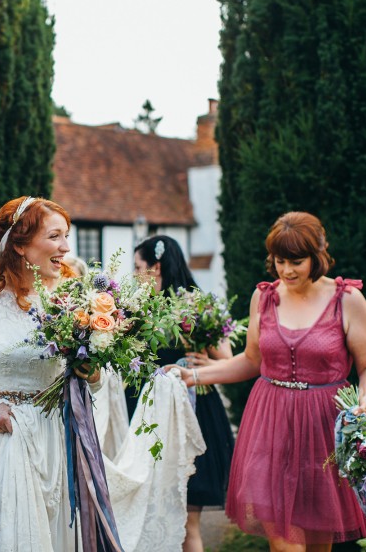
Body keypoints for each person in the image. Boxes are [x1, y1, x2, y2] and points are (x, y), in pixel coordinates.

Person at [0, 196, 203, 552]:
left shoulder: (74, 297)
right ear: (20, 244)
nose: (66, 247)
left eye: (66, 236)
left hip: (53, 436)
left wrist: (91, 374)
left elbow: (91, 380)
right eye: (55, 237)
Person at [177, 212, 366, 551]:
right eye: (280, 261)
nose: (287, 270)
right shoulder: (263, 298)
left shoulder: (347, 300)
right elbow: (251, 361)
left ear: (318, 256)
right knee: (285, 545)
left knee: (319, 543)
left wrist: (365, 399)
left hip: (326, 431)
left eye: (297, 261)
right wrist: (191, 376)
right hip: (271, 427)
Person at [131, 235, 236, 552]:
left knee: (187, 523)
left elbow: (229, 360)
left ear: (156, 267)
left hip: (193, 413)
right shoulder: (140, 308)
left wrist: (203, 363)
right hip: (150, 416)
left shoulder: (194, 304)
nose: (135, 275)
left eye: (138, 268)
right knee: (149, 517)